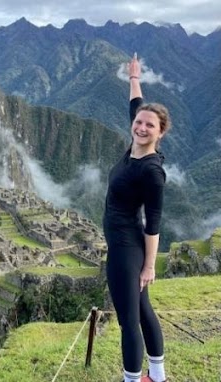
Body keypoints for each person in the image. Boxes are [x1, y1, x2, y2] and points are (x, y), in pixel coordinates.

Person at [104, 53, 168, 382]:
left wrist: (148, 266)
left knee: (128, 321)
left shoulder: (151, 171)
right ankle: (157, 375)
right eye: (139, 123)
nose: (141, 127)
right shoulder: (134, 145)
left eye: (149, 126)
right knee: (142, 311)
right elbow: (137, 105)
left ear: (160, 133)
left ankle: (132, 379)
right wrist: (133, 79)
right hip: (126, 245)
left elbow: (154, 223)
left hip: (126, 249)